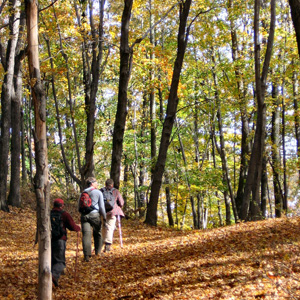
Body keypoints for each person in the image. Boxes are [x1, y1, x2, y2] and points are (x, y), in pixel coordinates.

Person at [51, 198, 80, 288]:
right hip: (60, 240)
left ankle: (51, 279)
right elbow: (72, 227)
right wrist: (78, 228)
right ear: (62, 206)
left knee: (52, 260)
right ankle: (53, 276)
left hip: (49, 240)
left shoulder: (48, 213)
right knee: (60, 262)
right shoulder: (64, 214)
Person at [78, 177, 106, 262]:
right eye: (96, 182)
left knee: (86, 235)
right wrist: (104, 216)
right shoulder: (98, 192)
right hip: (94, 215)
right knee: (98, 233)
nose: (97, 184)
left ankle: (86, 256)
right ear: (92, 183)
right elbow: (101, 207)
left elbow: (78, 206)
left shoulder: (83, 192)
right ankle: (98, 252)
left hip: (84, 215)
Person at [101, 178, 124, 252]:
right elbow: (121, 202)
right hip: (112, 212)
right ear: (112, 184)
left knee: (104, 227)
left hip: (102, 212)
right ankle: (107, 245)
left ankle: (100, 244)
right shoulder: (116, 191)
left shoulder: (101, 191)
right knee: (110, 228)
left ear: (105, 184)